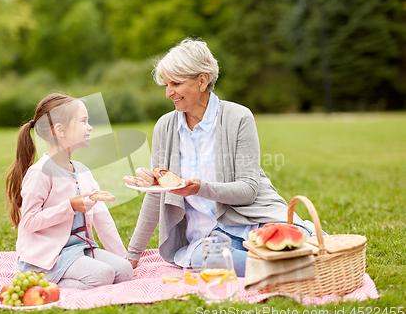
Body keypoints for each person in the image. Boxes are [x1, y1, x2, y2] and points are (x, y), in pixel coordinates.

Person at [127, 39, 316, 276]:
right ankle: (288, 269)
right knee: (211, 258)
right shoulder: (164, 127)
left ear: (202, 80)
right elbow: (156, 197)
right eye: (166, 85)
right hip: (208, 237)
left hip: (253, 218)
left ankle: (283, 266)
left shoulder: (238, 117)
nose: (168, 93)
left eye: (176, 83)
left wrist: (199, 188)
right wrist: (133, 255)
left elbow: (248, 190)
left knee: (296, 242)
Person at [5, 93, 133, 289]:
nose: (89, 127)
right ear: (60, 130)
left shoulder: (83, 171)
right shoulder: (40, 172)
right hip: (49, 255)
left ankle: (74, 280)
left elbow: (103, 220)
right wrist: (70, 206)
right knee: (103, 275)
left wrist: (123, 257)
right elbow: (29, 221)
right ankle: (39, 281)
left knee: (124, 271)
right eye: (83, 121)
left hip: (80, 248)